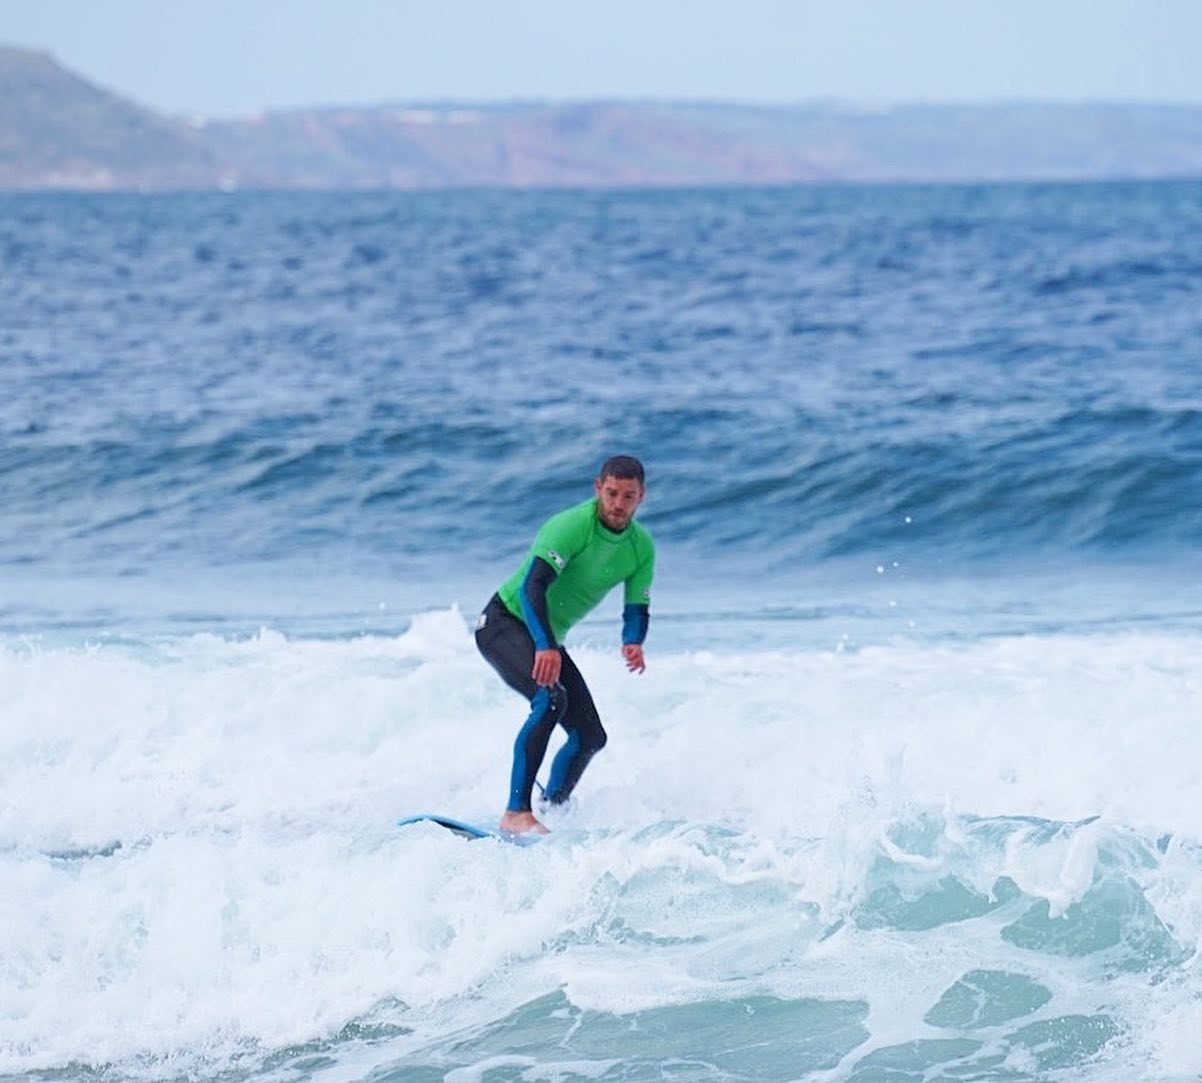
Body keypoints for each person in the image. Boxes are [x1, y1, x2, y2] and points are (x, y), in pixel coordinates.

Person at [475, 455, 655, 835]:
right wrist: (544, 644)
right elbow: (532, 586)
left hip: (546, 640)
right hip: (504, 622)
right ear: (598, 489)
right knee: (551, 699)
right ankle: (516, 812)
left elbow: (637, 606)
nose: (618, 504)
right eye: (611, 494)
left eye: (628, 496)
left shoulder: (641, 548)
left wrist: (632, 641)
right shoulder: (572, 526)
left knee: (591, 735)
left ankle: (551, 808)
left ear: (641, 496)